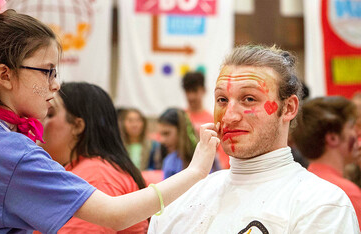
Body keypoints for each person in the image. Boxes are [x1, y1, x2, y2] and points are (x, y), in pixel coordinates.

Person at [0, 3, 220, 233]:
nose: (56, 84)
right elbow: (115, 213)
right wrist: (195, 172)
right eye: (47, 71)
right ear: (4, 75)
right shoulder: (14, 153)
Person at [148, 45, 359, 233]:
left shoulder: (322, 205)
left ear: (289, 108)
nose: (229, 116)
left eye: (249, 99)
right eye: (222, 99)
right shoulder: (179, 200)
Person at [39, 82, 148, 233]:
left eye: (50, 114)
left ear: (77, 126)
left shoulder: (95, 177)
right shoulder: (89, 170)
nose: (39, 121)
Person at [291, 96, 361, 227]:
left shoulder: (301, 184)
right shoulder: (345, 193)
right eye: (351, 127)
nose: (356, 133)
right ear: (333, 138)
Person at [182, 72, 230, 169]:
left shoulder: (213, 119)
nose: (191, 96)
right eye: (187, 91)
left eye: (194, 91)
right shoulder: (180, 117)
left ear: (203, 91)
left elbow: (221, 152)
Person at [158, 108, 215, 179]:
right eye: (161, 134)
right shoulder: (169, 161)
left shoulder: (205, 156)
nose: (162, 140)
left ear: (181, 131)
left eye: (167, 133)